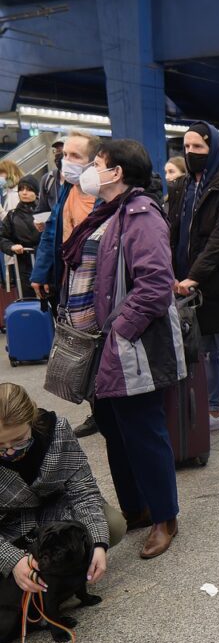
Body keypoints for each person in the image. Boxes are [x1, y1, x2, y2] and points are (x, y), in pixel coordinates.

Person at [60, 139, 185, 558]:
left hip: (129, 348)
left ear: (116, 173)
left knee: (143, 430)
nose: (91, 170)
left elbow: (154, 285)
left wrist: (120, 332)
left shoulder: (141, 214)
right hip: (99, 346)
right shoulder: (106, 211)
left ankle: (165, 517)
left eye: (97, 163)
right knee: (114, 430)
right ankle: (137, 508)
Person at [168, 122, 219, 453]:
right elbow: (170, 231)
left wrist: (194, 275)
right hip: (187, 288)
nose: (190, 154)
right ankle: (215, 409)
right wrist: (171, 274)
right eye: (186, 148)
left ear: (213, 148)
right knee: (204, 354)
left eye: (198, 148)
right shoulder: (181, 187)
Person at [0, 383, 120, 605]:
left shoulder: (58, 430)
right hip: (9, 526)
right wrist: (12, 560)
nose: (9, 452)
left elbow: (84, 491)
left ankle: (62, 568)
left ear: (32, 420)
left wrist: (99, 545)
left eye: (19, 441)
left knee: (112, 525)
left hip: (55, 512)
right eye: (0, 445)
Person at [30, 130, 102, 439]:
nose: (66, 162)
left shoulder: (104, 195)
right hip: (67, 281)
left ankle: (107, 409)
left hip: (96, 286)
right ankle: (97, 409)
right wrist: (40, 273)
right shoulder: (67, 188)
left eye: (76, 157)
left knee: (99, 349)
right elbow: (51, 233)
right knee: (79, 346)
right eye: (64, 156)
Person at [0, 175, 41, 299]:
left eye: (29, 189)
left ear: (36, 192)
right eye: (21, 189)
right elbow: (2, 237)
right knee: (29, 299)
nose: (24, 192)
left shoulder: (46, 211)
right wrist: (12, 247)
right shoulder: (12, 216)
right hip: (24, 265)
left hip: (46, 262)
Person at [35, 144, 65, 221]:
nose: (59, 154)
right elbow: (42, 208)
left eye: (63, 151)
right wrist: (39, 220)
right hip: (54, 229)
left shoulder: (79, 180)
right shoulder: (48, 179)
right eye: (57, 151)